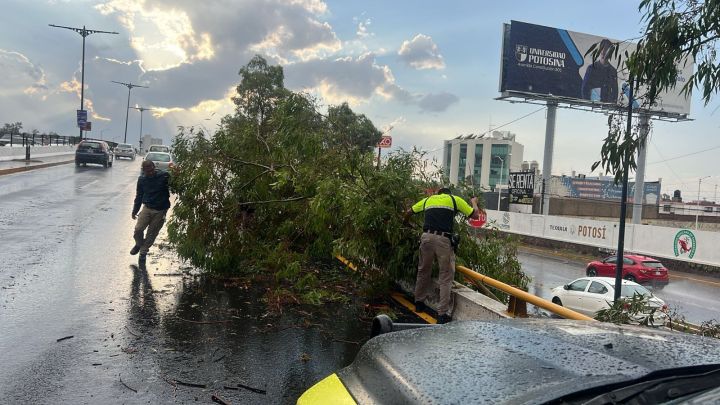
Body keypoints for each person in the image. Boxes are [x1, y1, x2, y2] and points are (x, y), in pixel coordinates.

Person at [408, 187, 480, 324]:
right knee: (445, 276)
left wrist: (406, 222)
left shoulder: (428, 200)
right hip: (443, 240)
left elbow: (409, 212)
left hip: (426, 238)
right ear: (449, 194)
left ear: (438, 194)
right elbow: (475, 215)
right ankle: (441, 315)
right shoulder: (454, 200)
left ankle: (418, 304)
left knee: (423, 271)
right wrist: (474, 202)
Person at [131, 160, 171, 266]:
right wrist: (135, 211)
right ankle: (138, 244)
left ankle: (143, 252)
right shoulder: (142, 179)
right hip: (147, 207)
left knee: (151, 232)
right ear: (144, 171)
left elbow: (176, 185)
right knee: (138, 229)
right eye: (147, 171)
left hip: (161, 210)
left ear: (154, 167)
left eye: (152, 170)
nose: (150, 172)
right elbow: (139, 196)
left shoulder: (164, 176)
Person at [581, 38, 618, 103]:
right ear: (600, 50)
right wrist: (588, 103)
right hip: (593, 104)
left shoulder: (613, 71)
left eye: (606, 49)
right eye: (602, 48)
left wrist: (612, 104)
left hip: (607, 105)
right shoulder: (592, 68)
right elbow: (584, 88)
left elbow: (615, 92)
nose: (604, 51)